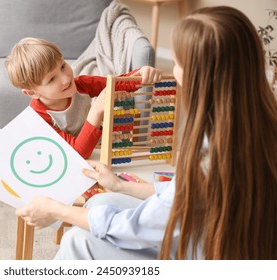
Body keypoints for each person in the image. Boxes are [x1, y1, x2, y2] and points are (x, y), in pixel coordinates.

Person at [15, 6, 277, 259]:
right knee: (101, 204)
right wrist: (120, 185)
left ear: (200, 76)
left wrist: (57, 210)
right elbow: (187, 194)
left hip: (205, 250)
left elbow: (137, 225)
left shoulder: (211, 151)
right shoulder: (249, 121)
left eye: (176, 63)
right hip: (212, 234)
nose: (172, 70)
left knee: (78, 241)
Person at [5, 37, 162, 159]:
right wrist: (96, 112)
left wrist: (141, 74)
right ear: (33, 93)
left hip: (96, 151)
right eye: (52, 79)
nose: (66, 78)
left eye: (62, 66)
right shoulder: (39, 119)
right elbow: (77, 154)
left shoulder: (82, 85)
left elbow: (118, 84)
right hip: (68, 160)